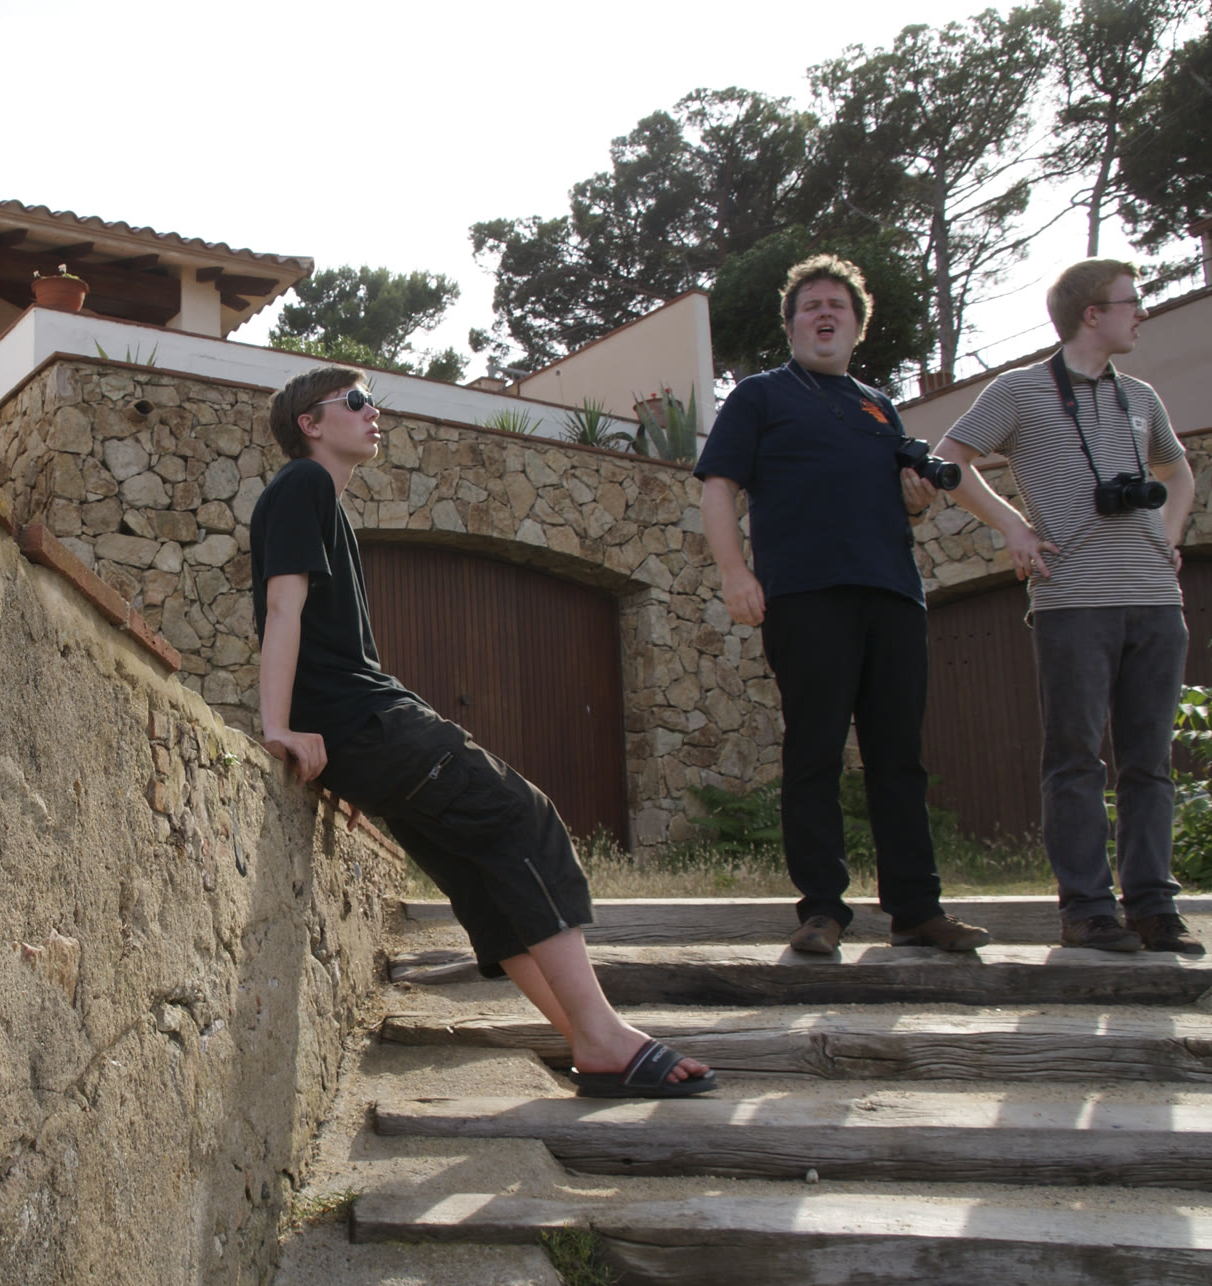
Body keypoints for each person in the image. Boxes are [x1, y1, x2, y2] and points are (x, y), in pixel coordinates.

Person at [251, 364, 715, 1098]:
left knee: (481, 875)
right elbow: (283, 609)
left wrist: (333, 756)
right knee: (522, 818)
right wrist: (278, 725)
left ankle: (586, 1044)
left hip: (353, 732)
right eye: (357, 401)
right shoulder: (302, 483)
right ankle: (603, 1034)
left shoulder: (320, 502)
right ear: (310, 423)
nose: (374, 412)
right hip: (367, 719)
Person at [697, 255, 991, 956]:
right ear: (793, 324)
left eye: (838, 306)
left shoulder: (878, 405)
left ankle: (916, 910)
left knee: (899, 758)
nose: (824, 314)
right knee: (815, 751)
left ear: (857, 326)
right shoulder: (760, 395)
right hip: (806, 595)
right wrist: (735, 572)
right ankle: (822, 911)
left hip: (893, 594)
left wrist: (915, 502)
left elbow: (897, 501)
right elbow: (718, 485)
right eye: (811, 306)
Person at [929, 259, 1200, 954]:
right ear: (1091, 313)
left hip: (1155, 601)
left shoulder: (1140, 396)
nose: (1142, 313)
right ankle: (1088, 910)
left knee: (1150, 763)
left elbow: (1177, 472)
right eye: (1132, 302)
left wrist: (1169, 536)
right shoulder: (1019, 390)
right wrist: (1014, 526)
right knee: (1076, 758)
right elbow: (948, 460)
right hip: (1073, 601)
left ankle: (1153, 907)